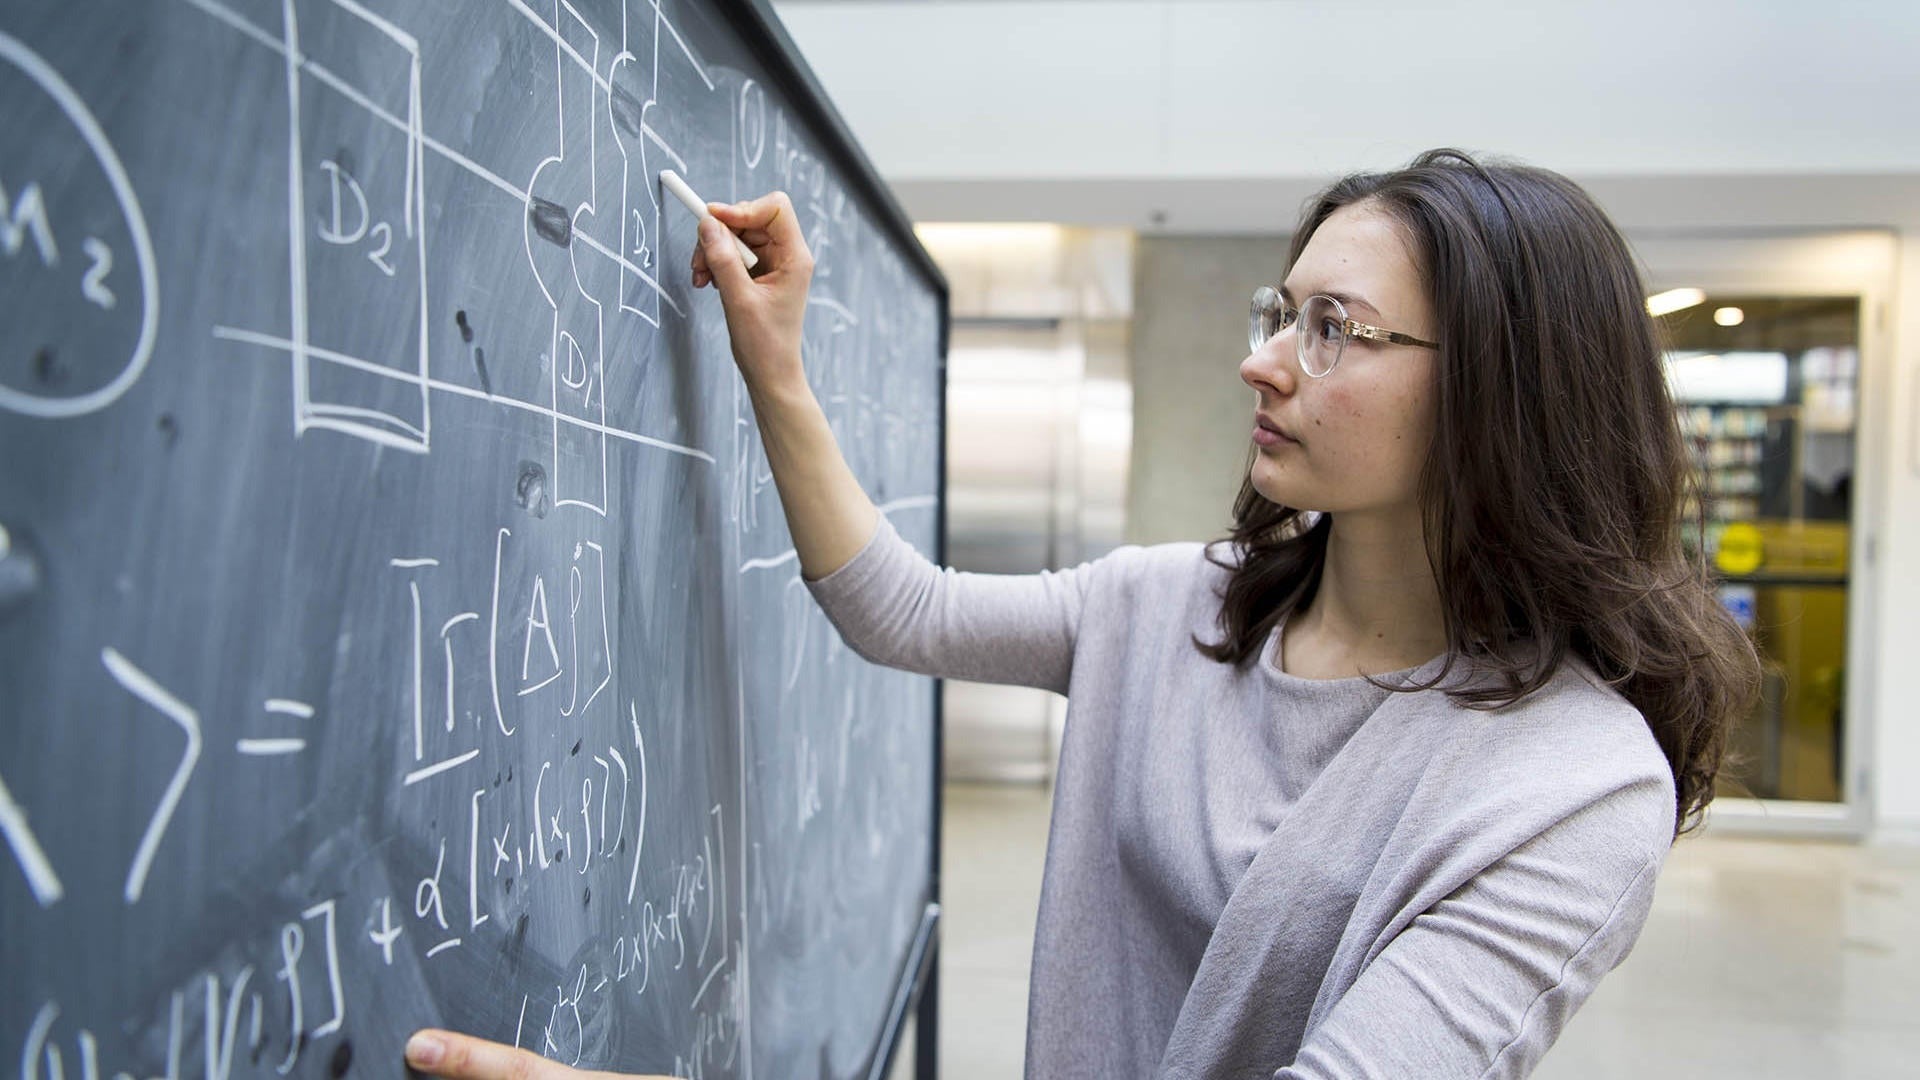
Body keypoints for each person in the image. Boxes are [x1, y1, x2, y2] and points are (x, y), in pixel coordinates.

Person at [404, 148, 1760, 1079]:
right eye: (1279, 311)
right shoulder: (1177, 609)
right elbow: (904, 611)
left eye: (1333, 329)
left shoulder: (1571, 787)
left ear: (1502, 397)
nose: (1263, 360)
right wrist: (776, 368)